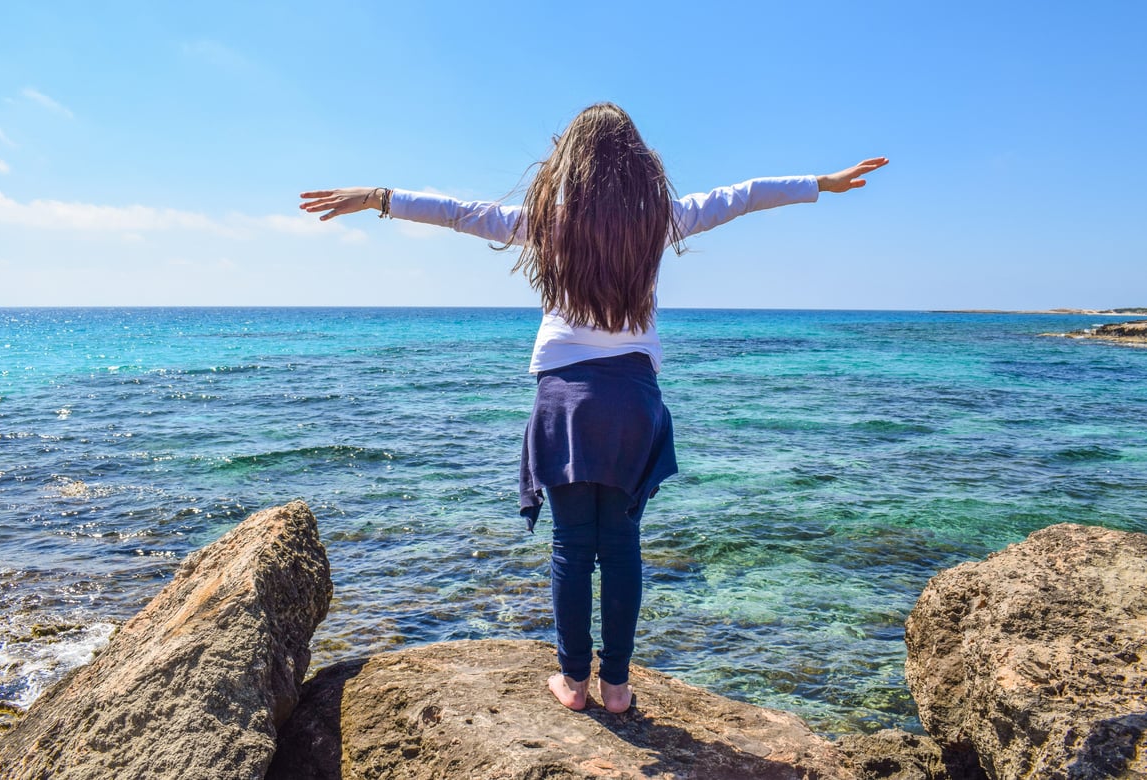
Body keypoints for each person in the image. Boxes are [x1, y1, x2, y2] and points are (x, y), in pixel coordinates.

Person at [300, 102, 887, 714]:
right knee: (623, 544)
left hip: (566, 400)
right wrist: (822, 183)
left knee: (573, 548)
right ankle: (618, 688)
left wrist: (381, 197)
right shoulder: (659, 218)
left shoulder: (547, 224)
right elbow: (741, 196)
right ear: (635, 163)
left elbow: (459, 213)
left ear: (570, 161)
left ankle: (574, 684)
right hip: (632, 398)